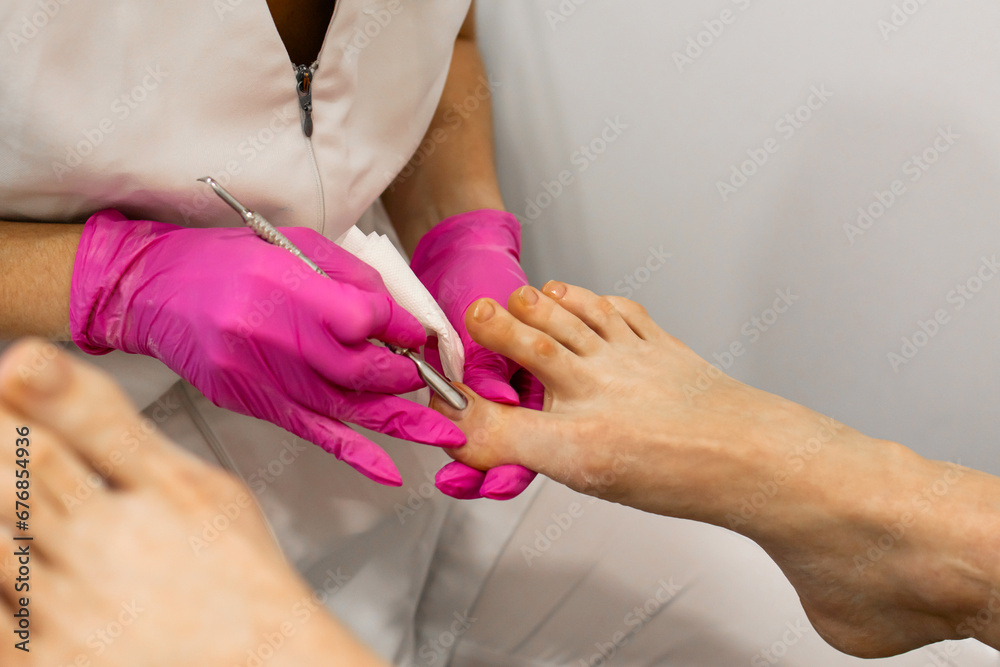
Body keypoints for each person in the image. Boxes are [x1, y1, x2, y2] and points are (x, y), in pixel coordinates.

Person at [2, 276, 998, 664]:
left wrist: (459, 227)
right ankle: (921, 526)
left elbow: (436, 49)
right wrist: (104, 272)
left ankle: (907, 523)